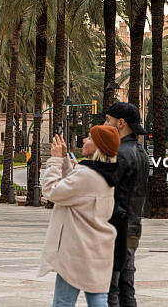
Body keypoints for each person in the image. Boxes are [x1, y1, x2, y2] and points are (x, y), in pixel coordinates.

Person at [38, 126, 120, 307]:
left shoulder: (87, 175)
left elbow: (51, 191)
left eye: (90, 138)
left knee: (63, 303)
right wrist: (65, 159)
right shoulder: (104, 173)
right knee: (98, 300)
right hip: (97, 249)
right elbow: (74, 187)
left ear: (99, 146)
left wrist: (54, 161)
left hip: (76, 251)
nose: (84, 140)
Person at [103, 102, 150, 307]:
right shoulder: (141, 153)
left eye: (108, 120)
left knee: (111, 288)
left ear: (120, 123)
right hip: (133, 227)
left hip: (117, 228)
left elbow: (107, 189)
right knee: (126, 286)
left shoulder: (119, 153)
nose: (105, 125)